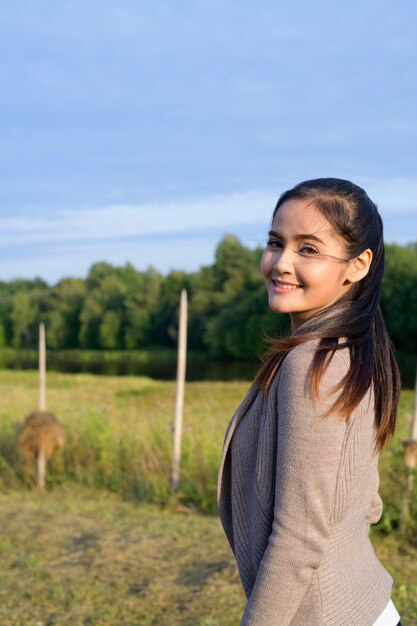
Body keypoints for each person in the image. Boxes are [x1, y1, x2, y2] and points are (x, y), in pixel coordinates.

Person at [217, 178, 402, 626]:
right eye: (275, 242)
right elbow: (366, 498)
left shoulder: (314, 362)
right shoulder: (352, 349)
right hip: (358, 605)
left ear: (357, 265)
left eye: (308, 249)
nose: (281, 263)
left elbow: (299, 538)